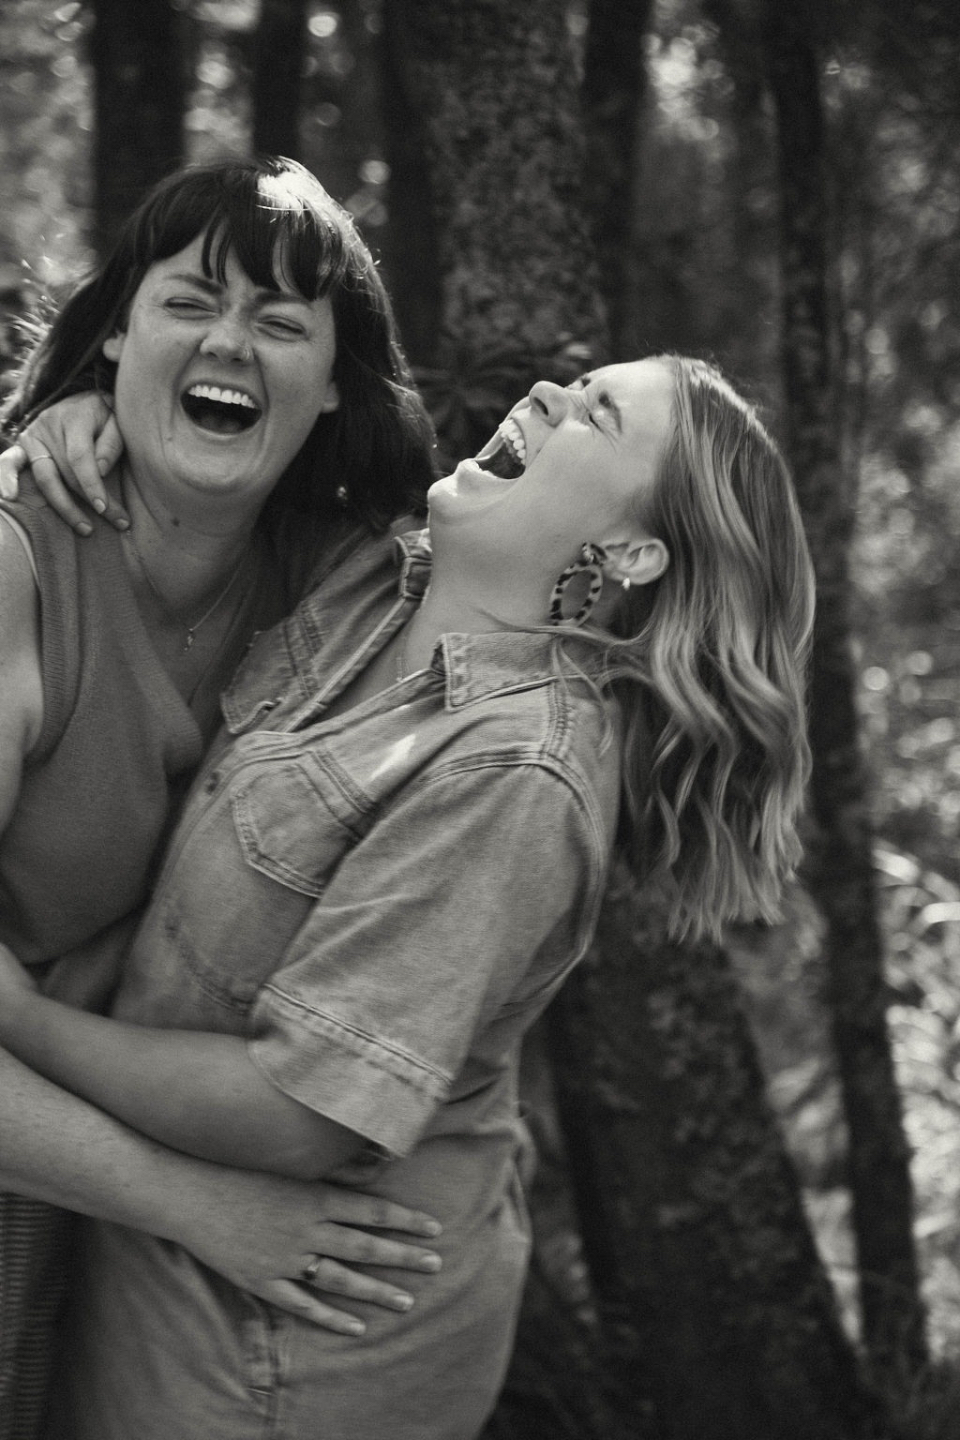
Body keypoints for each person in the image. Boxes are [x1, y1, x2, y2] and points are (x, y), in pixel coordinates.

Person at [0, 350, 816, 1438]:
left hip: (288, 1337)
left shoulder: (517, 774)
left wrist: (22, 1021)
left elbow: (297, 1116)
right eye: (575, 384)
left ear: (628, 554)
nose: (548, 395)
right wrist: (88, 419)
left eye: (598, 414)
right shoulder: (375, 580)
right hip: (167, 1248)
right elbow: (199, 487)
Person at [0, 157, 448, 1438]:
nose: (229, 343)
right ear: (117, 335)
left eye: (281, 322)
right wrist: (199, 1206)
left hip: (70, 1190)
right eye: (188, 302)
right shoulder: (17, 561)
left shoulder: (337, 586)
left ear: (333, 386)